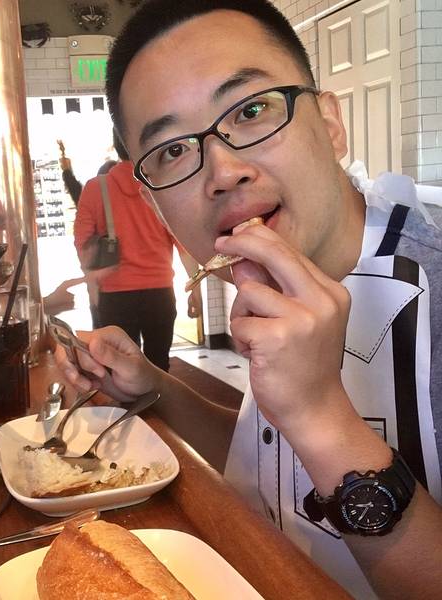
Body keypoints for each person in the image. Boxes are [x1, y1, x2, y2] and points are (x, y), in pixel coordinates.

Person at [55, 1, 442, 598]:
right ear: (153, 202)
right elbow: (268, 462)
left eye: (252, 110)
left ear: (330, 124)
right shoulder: (268, 291)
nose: (223, 171)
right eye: (172, 150)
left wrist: (320, 415)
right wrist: (155, 389)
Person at [74, 131, 200, 371]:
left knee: (120, 369)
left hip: (114, 296)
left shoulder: (96, 188)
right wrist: (195, 289)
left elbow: (82, 243)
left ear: (116, 145)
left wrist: (93, 284)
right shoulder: (161, 185)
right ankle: (158, 397)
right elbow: (182, 243)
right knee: (159, 365)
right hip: (160, 294)